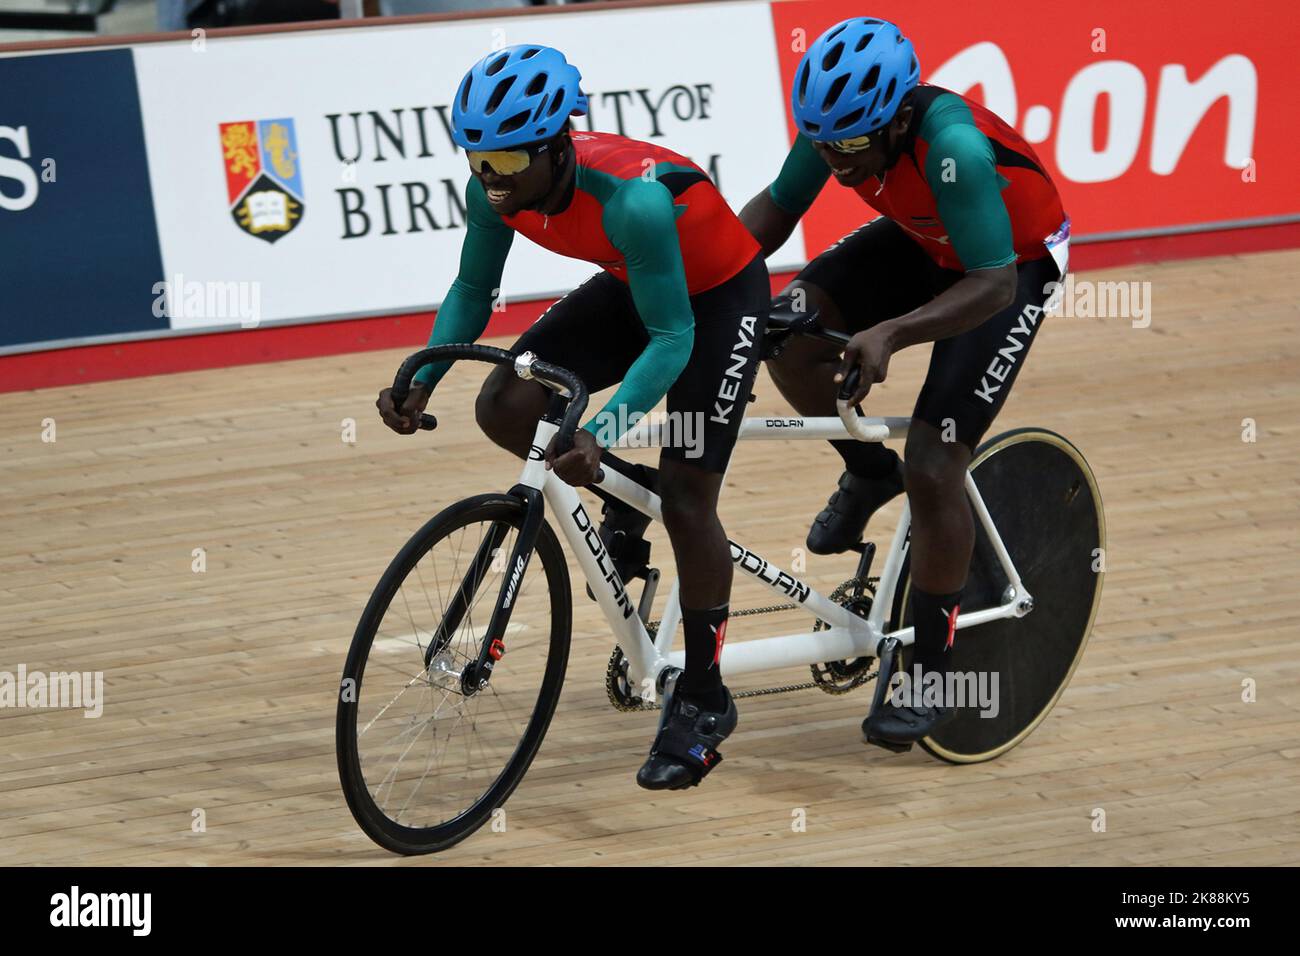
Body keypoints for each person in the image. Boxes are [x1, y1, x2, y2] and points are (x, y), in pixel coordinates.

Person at [376, 45, 770, 789]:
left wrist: (604, 428)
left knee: (689, 496)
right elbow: (471, 288)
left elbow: (675, 338)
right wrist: (422, 375)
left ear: (556, 146)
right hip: (637, 282)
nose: (491, 182)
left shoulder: (633, 201)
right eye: (476, 160)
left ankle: (704, 697)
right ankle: (627, 500)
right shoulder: (494, 187)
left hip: (715, 299)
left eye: (506, 163)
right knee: (504, 404)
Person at [737, 17, 1069, 746]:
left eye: (852, 146)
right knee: (789, 337)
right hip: (927, 237)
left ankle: (933, 667)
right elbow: (776, 209)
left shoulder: (952, 147)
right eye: (825, 143)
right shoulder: (837, 124)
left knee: (933, 460)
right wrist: (712, 277)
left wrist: (894, 331)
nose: (837, 160)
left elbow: (989, 286)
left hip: (1007, 265)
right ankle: (864, 473)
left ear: (894, 115)